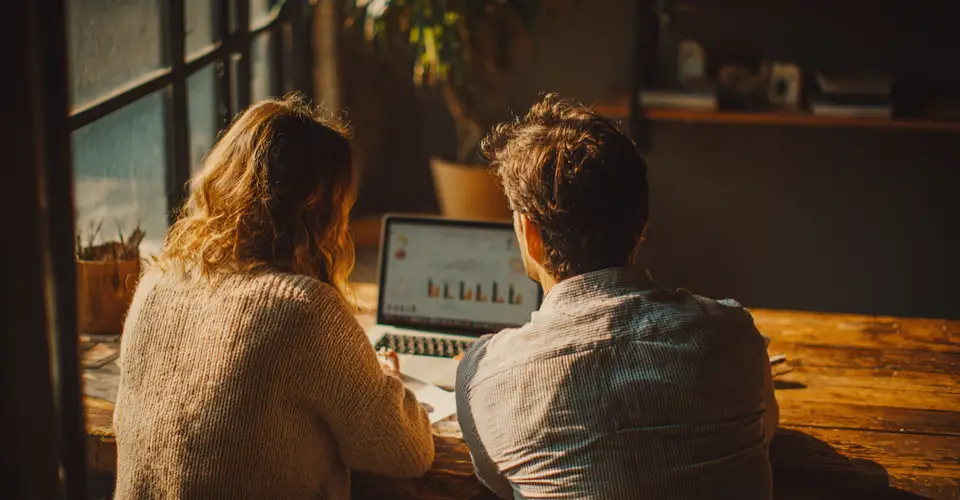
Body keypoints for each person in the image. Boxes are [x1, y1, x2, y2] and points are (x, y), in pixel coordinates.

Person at [455, 94, 779, 499]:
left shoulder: (484, 379)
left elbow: (500, 484)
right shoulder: (734, 338)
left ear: (531, 236)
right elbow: (764, 430)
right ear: (641, 224)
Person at [113, 94, 434, 500]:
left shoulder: (155, 283)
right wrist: (389, 382)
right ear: (318, 211)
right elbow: (408, 452)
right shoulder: (303, 309)